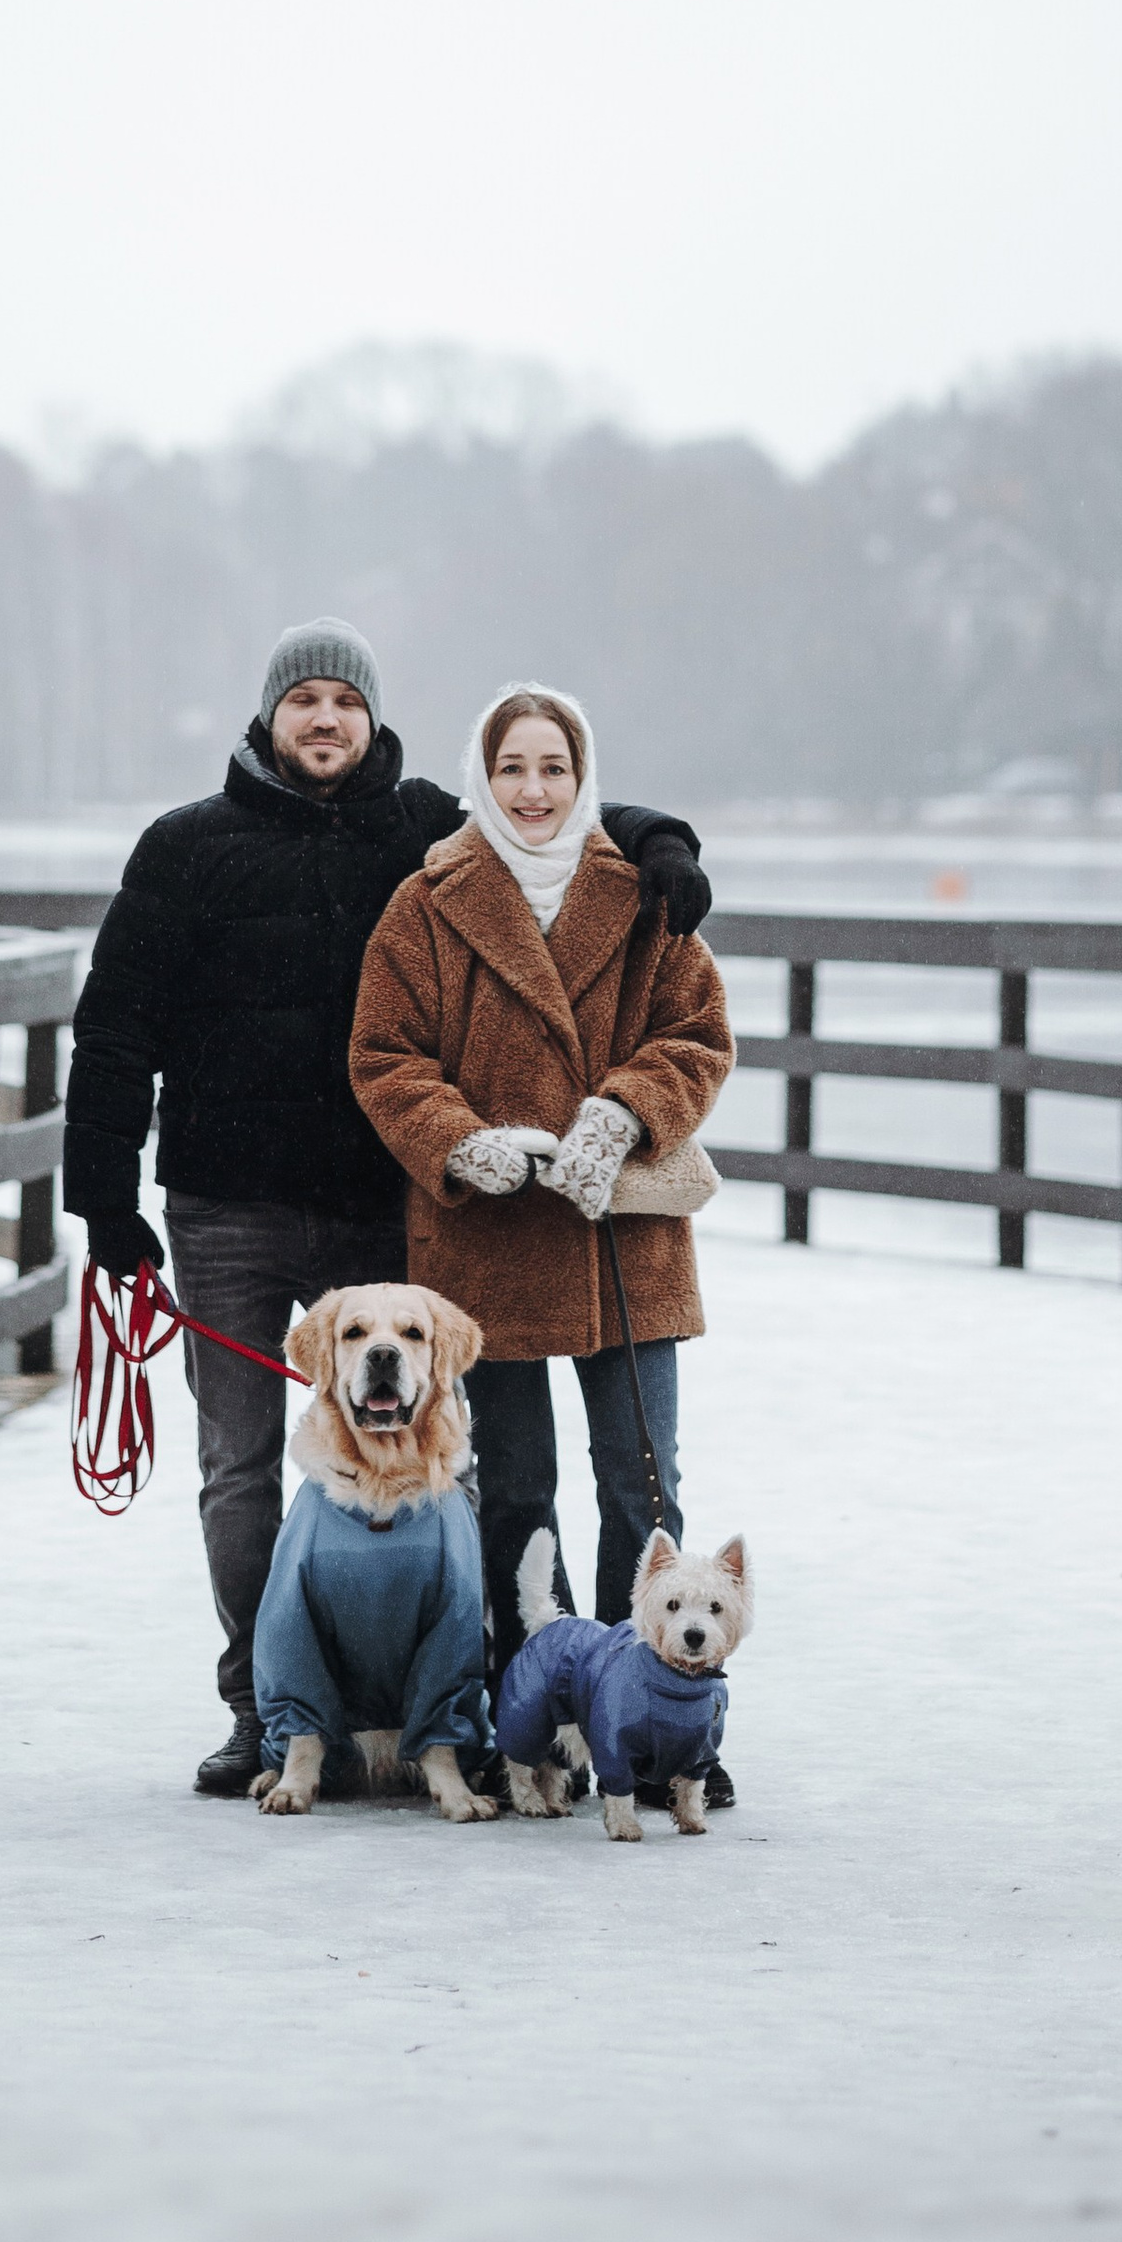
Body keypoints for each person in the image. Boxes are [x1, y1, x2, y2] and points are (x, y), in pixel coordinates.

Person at [62, 620, 711, 1798]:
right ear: (268, 718)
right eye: (303, 700)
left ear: (373, 720)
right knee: (240, 1467)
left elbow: (549, 804)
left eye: (344, 703)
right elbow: (113, 1030)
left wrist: (662, 839)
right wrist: (103, 1196)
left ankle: (464, 1699)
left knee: (444, 1459)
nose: (325, 720)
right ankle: (264, 1706)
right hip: (229, 1204)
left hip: (380, 1212)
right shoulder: (185, 847)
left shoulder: (420, 826)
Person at [346, 682, 733, 1792]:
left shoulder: (645, 895)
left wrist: (622, 1109)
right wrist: (458, 1140)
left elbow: (698, 1033)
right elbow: (382, 1054)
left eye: (552, 768)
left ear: (583, 775)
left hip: (623, 1244)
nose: (531, 790)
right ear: (483, 774)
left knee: (640, 1491)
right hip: (488, 1250)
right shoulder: (427, 902)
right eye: (511, 767)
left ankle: (655, 1715)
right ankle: (539, 1720)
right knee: (515, 1493)